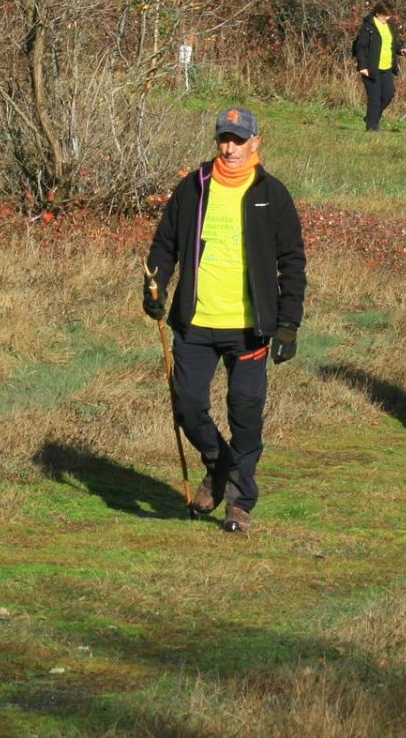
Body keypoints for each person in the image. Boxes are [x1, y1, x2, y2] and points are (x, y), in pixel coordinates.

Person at [143, 108, 307, 532]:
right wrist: (155, 285)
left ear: (256, 142)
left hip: (249, 327)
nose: (229, 147)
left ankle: (239, 503)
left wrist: (288, 323)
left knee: (245, 412)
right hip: (195, 323)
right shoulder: (194, 189)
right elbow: (164, 245)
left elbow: (292, 262)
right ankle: (221, 466)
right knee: (189, 405)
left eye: (238, 139)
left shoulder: (272, 194)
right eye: (223, 138)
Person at [351, 3, 406, 132]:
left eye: (389, 15)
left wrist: (401, 49)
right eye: (385, 15)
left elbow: (393, 43)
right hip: (371, 68)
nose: (387, 18)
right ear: (377, 13)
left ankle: (372, 117)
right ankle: (372, 127)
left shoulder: (389, 26)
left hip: (387, 67)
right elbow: (361, 47)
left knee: (388, 95)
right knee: (374, 98)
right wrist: (362, 66)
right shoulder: (368, 27)